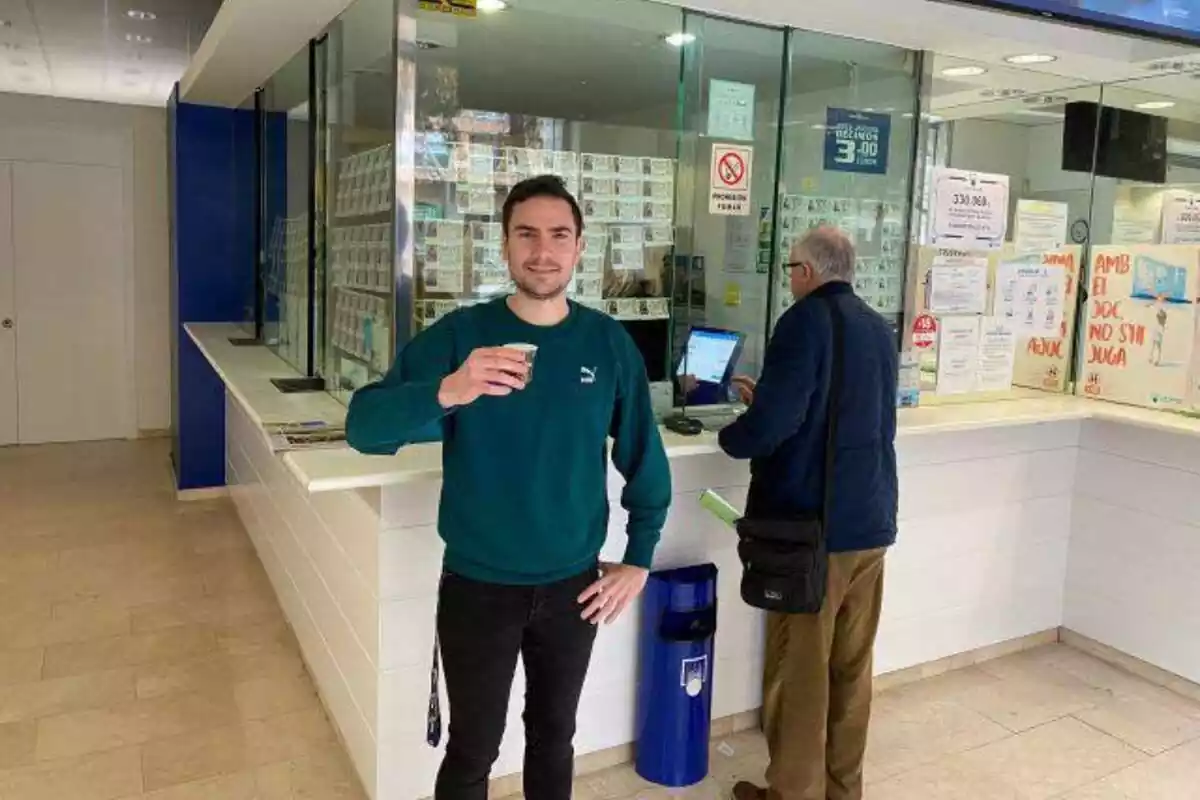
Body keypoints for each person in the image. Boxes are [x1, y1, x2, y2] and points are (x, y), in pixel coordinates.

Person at [344, 175, 672, 800]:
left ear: (579, 248)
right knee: (475, 747)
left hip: (574, 585)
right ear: (505, 245)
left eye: (558, 236)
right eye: (527, 234)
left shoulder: (607, 344)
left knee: (555, 737)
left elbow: (644, 459)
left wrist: (639, 560)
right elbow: (364, 427)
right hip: (478, 586)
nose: (542, 251)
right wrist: (451, 389)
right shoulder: (462, 336)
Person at [719, 227, 898, 800]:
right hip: (869, 521)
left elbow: (770, 430)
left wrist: (735, 434)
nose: (789, 277)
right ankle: (843, 790)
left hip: (813, 533)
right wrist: (767, 399)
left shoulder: (801, 322)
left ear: (809, 272)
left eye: (791, 267)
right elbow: (842, 410)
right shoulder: (877, 327)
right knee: (851, 672)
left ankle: (792, 794)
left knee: (800, 675)